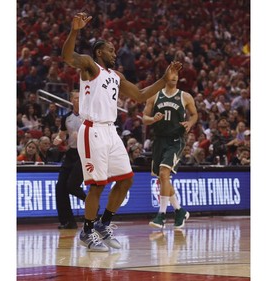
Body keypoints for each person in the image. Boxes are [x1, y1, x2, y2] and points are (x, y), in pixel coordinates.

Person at [61, 12, 182, 252]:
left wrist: (163, 79)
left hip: (111, 132)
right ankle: (87, 231)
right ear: (99, 52)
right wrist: (75, 31)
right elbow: (67, 57)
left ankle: (104, 224)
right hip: (92, 129)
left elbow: (139, 95)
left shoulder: (117, 76)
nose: (115, 53)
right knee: (97, 186)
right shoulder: (89, 66)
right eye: (111, 50)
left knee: (127, 179)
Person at [142, 74, 198, 229]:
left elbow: (194, 114)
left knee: (164, 174)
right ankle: (179, 211)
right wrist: (153, 119)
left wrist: (190, 123)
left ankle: (161, 215)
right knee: (162, 178)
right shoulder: (154, 95)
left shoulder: (185, 96)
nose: (174, 77)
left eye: (176, 74)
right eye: (171, 74)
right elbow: (144, 118)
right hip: (159, 140)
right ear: (165, 77)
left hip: (175, 140)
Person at [53, 90, 87, 229]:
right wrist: (58, 139)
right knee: (60, 187)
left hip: (84, 153)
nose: (78, 100)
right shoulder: (66, 117)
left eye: (80, 97)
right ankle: (67, 221)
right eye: (75, 98)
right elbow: (61, 135)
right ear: (71, 100)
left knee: (72, 186)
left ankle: (91, 203)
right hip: (71, 153)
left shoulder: (88, 117)